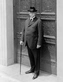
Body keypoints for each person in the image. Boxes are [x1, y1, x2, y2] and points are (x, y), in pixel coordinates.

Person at [20, 7, 43, 79]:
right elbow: (23, 31)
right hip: (27, 42)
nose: (31, 14)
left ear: (35, 13)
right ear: (29, 13)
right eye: (30, 12)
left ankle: (36, 71)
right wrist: (22, 40)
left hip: (35, 43)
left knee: (36, 58)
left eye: (33, 13)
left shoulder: (38, 21)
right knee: (31, 57)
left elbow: (40, 33)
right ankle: (32, 68)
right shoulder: (26, 21)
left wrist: (39, 43)